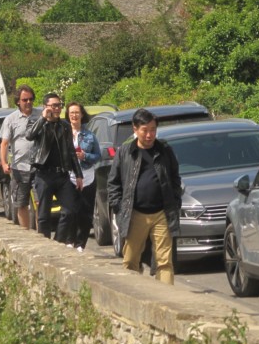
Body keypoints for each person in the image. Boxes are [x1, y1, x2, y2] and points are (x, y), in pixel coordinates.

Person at [107, 108, 181, 285]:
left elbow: (175, 177)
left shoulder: (164, 150)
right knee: (131, 260)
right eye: (145, 130)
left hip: (162, 214)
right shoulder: (125, 152)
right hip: (135, 214)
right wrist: (119, 207)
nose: (149, 135)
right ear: (135, 129)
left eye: (153, 130)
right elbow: (113, 183)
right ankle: (131, 295)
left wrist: (175, 200)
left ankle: (167, 300)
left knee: (164, 261)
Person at [26, 92, 83, 240]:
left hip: (62, 175)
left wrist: (78, 174)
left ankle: (58, 241)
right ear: (45, 107)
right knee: (44, 215)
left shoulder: (64, 125)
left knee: (70, 210)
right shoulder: (37, 122)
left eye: (59, 105)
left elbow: (71, 150)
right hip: (44, 174)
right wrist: (43, 118)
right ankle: (45, 245)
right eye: (54, 105)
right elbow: (29, 135)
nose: (57, 108)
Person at [0, 85, 42, 228]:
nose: (28, 102)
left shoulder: (40, 115)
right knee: (21, 203)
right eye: (25, 100)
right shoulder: (10, 119)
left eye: (31, 99)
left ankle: (41, 235)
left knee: (40, 202)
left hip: (39, 166)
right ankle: (26, 233)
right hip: (19, 167)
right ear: (18, 101)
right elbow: (4, 143)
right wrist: (4, 163)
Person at [64, 102, 101, 251]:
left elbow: (98, 155)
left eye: (77, 112)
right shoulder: (63, 134)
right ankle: (69, 240)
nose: (74, 115)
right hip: (70, 177)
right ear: (68, 115)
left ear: (82, 115)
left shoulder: (90, 136)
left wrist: (85, 156)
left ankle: (80, 244)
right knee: (70, 211)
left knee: (85, 212)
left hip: (88, 177)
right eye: (71, 113)